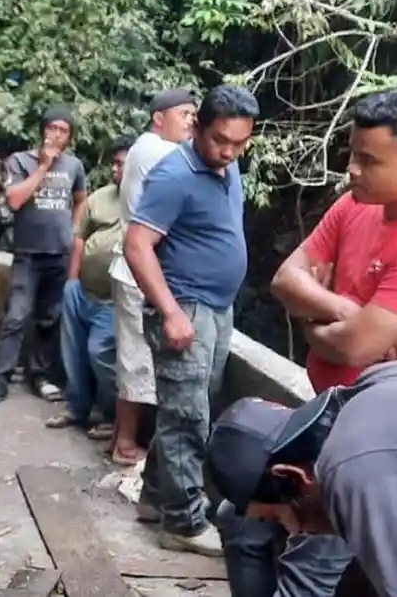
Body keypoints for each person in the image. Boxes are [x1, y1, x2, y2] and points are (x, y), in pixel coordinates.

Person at [217, 87, 397, 596]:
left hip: (392, 452)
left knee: (310, 568)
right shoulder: (357, 205)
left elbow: (353, 349)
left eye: (368, 160)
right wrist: (345, 313)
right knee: (241, 518)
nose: (351, 170)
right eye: (352, 154)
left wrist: (318, 315)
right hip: (338, 420)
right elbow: (287, 281)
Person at [124, 84, 258, 556]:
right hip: (185, 307)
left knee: (188, 406)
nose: (228, 151)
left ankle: (155, 497)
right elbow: (137, 246)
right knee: (188, 417)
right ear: (197, 126)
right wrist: (171, 312)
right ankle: (182, 522)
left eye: (239, 142)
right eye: (220, 139)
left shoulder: (229, 166)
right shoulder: (174, 174)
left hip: (217, 308)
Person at [208, 361, 397, 597]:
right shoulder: (371, 387)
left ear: (293, 476)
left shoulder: (354, 470)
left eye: (277, 518)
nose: (294, 532)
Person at [0, 106, 87, 407]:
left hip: (59, 254)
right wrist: (43, 168)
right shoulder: (20, 161)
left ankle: (41, 376)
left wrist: (74, 229)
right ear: (42, 130)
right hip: (27, 253)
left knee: (50, 319)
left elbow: (80, 200)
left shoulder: (74, 166)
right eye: (52, 128)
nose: (56, 135)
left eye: (63, 130)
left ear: (69, 136)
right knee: (15, 317)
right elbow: (14, 199)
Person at [107, 88, 196, 465]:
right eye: (184, 114)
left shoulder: (150, 148)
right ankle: (125, 445)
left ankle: (121, 437)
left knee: (138, 357)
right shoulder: (154, 150)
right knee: (137, 361)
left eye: (194, 114)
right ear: (159, 118)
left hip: (140, 271)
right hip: (137, 273)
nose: (191, 122)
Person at [46, 135, 132, 437]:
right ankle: (76, 407)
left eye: (121, 164)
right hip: (81, 290)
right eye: (114, 164)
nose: (115, 169)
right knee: (73, 352)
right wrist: (72, 281)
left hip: (113, 299)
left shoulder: (146, 200)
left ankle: (110, 415)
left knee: (100, 353)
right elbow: (80, 237)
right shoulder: (101, 197)